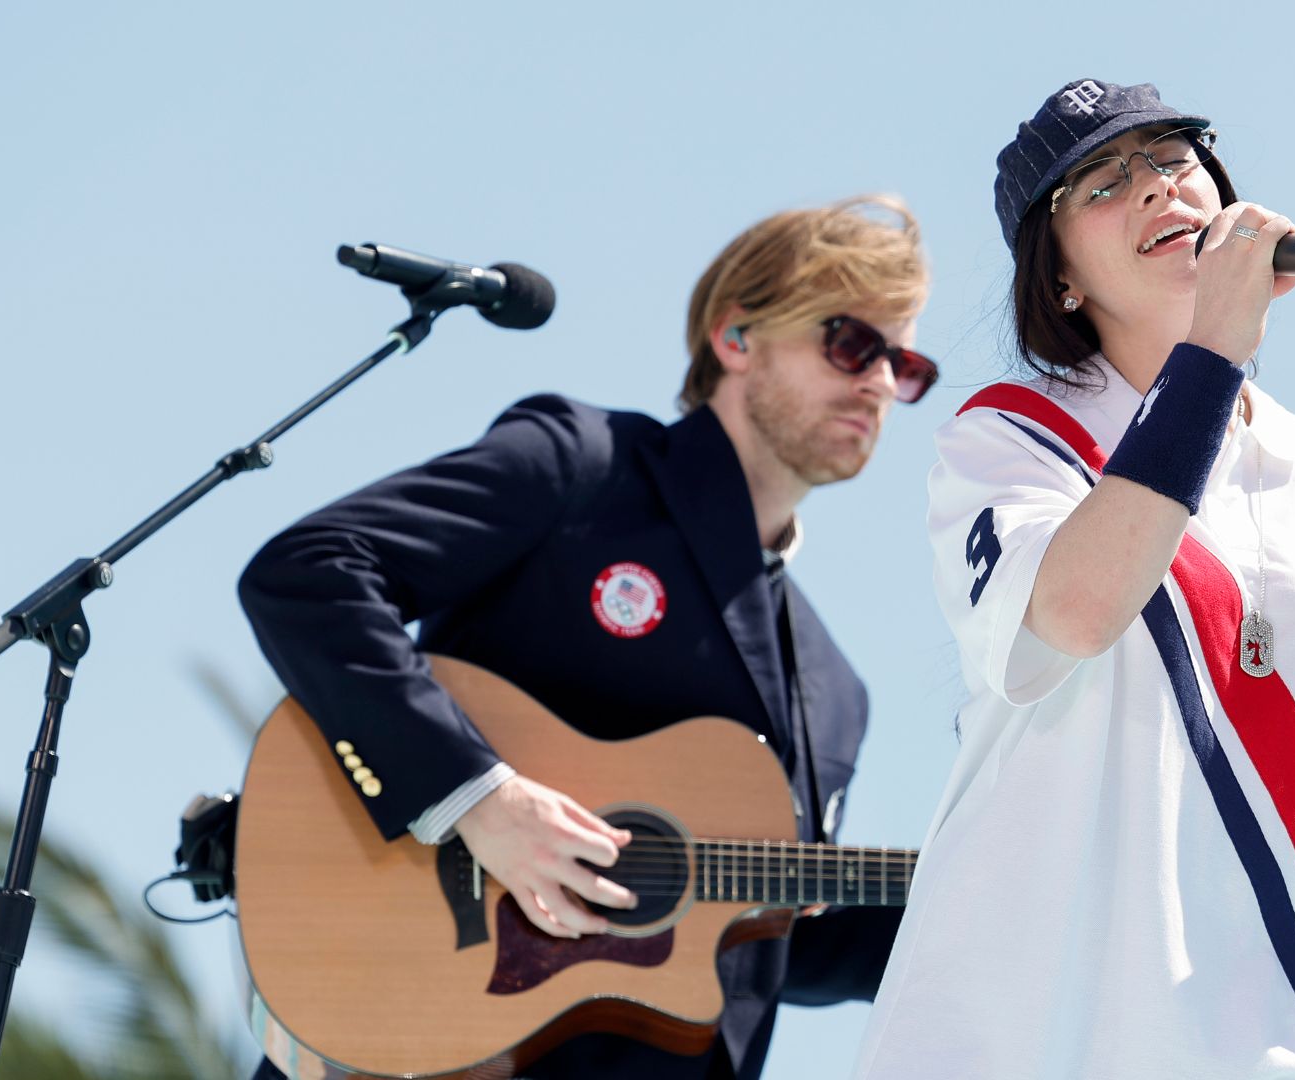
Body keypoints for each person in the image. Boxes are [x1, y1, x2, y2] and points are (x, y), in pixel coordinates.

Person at [852, 80, 1295, 1080]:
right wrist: (1213, 349)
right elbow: (1081, 611)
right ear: (1059, 283)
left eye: (1176, 161)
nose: (1153, 190)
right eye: (1100, 182)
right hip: (1041, 1045)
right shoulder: (1015, 439)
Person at [237, 195, 934, 1080]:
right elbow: (311, 572)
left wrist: (969, 913)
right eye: (851, 343)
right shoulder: (582, 467)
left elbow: (763, 943)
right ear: (736, 337)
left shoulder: (838, 692)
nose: (878, 381)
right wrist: (478, 800)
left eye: (903, 364)